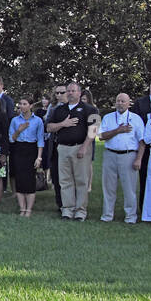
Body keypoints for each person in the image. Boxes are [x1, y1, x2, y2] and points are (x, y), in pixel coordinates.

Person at [45, 82, 98, 220]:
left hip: (80, 148)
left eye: (73, 91)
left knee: (81, 181)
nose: (69, 93)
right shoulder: (58, 110)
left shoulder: (90, 109)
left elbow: (94, 131)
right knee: (65, 181)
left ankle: (80, 211)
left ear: (79, 93)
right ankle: (67, 210)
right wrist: (63, 124)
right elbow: (49, 127)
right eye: (68, 91)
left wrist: (84, 147)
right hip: (62, 149)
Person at [98, 93, 146, 223]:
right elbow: (101, 136)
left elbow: (142, 142)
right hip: (110, 154)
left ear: (128, 103)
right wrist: (117, 130)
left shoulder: (136, 119)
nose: (120, 103)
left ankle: (131, 216)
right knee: (108, 187)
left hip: (128, 155)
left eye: (123, 101)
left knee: (129, 188)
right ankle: (107, 215)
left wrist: (138, 159)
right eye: (118, 101)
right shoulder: (108, 118)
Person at [7, 96, 45, 216]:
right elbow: (11, 139)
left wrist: (39, 157)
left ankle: (29, 209)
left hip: (31, 149)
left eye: (24, 104)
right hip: (18, 149)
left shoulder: (38, 121)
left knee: (29, 180)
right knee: (19, 179)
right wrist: (19, 130)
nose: (21, 106)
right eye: (20, 104)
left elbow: (40, 139)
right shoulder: (15, 120)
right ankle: (22, 208)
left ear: (31, 105)